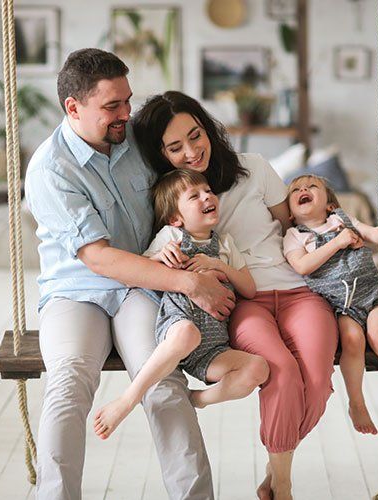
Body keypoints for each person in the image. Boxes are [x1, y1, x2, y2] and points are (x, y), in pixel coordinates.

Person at [24, 49, 231, 500]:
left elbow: (189, 158)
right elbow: (98, 258)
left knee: (164, 382)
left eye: (128, 100)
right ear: (73, 107)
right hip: (76, 292)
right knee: (69, 381)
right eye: (112, 106)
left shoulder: (133, 137)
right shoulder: (49, 170)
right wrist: (190, 282)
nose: (126, 114)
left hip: (142, 286)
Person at [133, 91, 338, 500]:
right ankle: (284, 489)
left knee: (317, 383)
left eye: (196, 135)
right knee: (281, 371)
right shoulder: (176, 198)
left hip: (298, 291)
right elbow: (155, 258)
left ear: (207, 128)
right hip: (245, 303)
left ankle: (275, 472)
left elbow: (294, 228)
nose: (192, 151)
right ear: (162, 154)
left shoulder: (255, 168)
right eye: (175, 147)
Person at [93, 169, 268, 440]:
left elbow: (249, 288)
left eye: (208, 191)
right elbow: (138, 272)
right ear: (176, 218)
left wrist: (219, 265)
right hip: (178, 325)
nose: (206, 197)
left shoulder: (225, 244)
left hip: (211, 348)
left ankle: (197, 399)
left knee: (258, 368)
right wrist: (158, 257)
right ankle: (127, 400)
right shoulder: (171, 236)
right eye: (194, 196)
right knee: (188, 333)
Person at [283, 174, 378, 433]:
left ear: (330, 205)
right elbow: (302, 265)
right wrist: (338, 242)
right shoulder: (294, 236)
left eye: (312, 186)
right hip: (340, 303)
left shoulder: (341, 219)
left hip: (371, 291)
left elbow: (373, 234)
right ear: (290, 213)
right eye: (296, 190)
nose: (303, 189)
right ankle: (356, 403)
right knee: (352, 339)